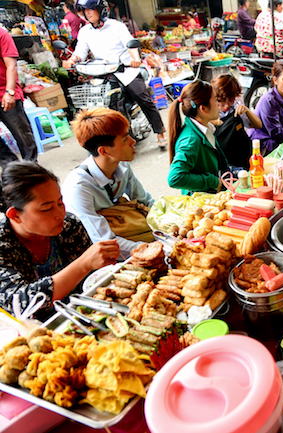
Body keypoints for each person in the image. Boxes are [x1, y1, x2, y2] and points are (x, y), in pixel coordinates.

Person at [0, 161, 120, 321]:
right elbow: (22, 303)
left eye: (60, 202)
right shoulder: (3, 245)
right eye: (46, 209)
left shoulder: (69, 226)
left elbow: (94, 279)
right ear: (15, 215)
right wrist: (83, 264)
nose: (60, 214)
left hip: (86, 311)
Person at [64, 0, 168, 149]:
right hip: (104, 73)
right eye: (84, 10)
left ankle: (159, 133)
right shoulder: (84, 31)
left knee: (143, 99)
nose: (87, 12)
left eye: (91, 9)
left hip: (126, 70)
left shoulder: (117, 26)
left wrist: (136, 59)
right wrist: (72, 59)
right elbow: (80, 51)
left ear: (100, 9)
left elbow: (129, 44)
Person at [62, 108, 155, 258]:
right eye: (125, 139)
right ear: (104, 151)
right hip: (97, 254)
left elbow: (146, 201)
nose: (133, 142)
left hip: (126, 234)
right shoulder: (78, 188)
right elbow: (104, 241)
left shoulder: (122, 166)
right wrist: (151, 249)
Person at [167, 80, 229, 195]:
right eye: (215, 100)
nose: (219, 103)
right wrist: (212, 181)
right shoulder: (191, 141)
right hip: (199, 204)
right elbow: (175, 178)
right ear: (203, 109)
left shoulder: (203, 127)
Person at [0, 27, 38, 169]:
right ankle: (12, 169)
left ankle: (31, 167)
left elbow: (11, 65)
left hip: (6, 92)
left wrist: (9, 92)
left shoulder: (2, 34)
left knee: (23, 134)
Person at [211, 74, 262, 169]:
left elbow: (258, 125)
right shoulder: (209, 112)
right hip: (221, 162)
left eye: (230, 100)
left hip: (241, 158)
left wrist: (247, 111)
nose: (226, 106)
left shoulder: (236, 106)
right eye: (221, 101)